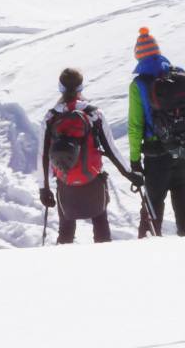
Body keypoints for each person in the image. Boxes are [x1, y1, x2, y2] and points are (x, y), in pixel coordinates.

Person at [40, 67, 143, 244]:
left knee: (65, 231)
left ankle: (61, 268)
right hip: (93, 180)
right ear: (81, 87)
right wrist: (130, 174)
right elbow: (111, 149)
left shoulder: (51, 116)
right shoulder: (94, 114)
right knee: (101, 224)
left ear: (60, 88)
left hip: (66, 182)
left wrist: (44, 187)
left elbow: (43, 155)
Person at [128, 27, 185, 237]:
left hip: (156, 151)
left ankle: (148, 243)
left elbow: (135, 125)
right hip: (184, 146)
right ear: (158, 51)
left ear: (138, 56)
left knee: (154, 200)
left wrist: (134, 160)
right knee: (182, 190)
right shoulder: (179, 72)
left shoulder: (139, 84)